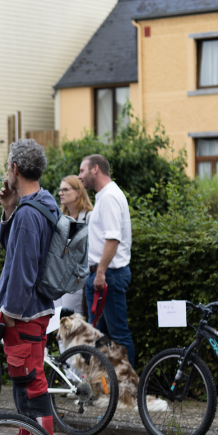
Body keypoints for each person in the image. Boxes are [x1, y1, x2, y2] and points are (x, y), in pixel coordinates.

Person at [0, 139, 59, 435]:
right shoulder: (40, 205)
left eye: (7, 167)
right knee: (25, 386)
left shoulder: (30, 214)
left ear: (15, 169)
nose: (7, 173)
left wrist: (10, 315)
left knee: (32, 386)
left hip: (24, 314)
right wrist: (8, 210)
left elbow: (21, 270)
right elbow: (18, 250)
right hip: (37, 311)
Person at [78, 154, 134, 366]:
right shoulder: (104, 195)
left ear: (95, 169)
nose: (79, 176)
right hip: (103, 274)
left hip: (108, 275)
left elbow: (113, 238)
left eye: (82, 171)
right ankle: (110, 389)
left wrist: (100, 272)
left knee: (118, 336)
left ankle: (129, 390)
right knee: (102, 338)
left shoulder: (109, 196)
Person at [55, 175, 94, 317]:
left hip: (76, 278)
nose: (60, 193)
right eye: (60, 190)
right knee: (57, 321)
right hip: (57, 277)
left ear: (78, 192)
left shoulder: (89, 216)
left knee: (72, 322)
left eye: (65, 189)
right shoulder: (60, 218)